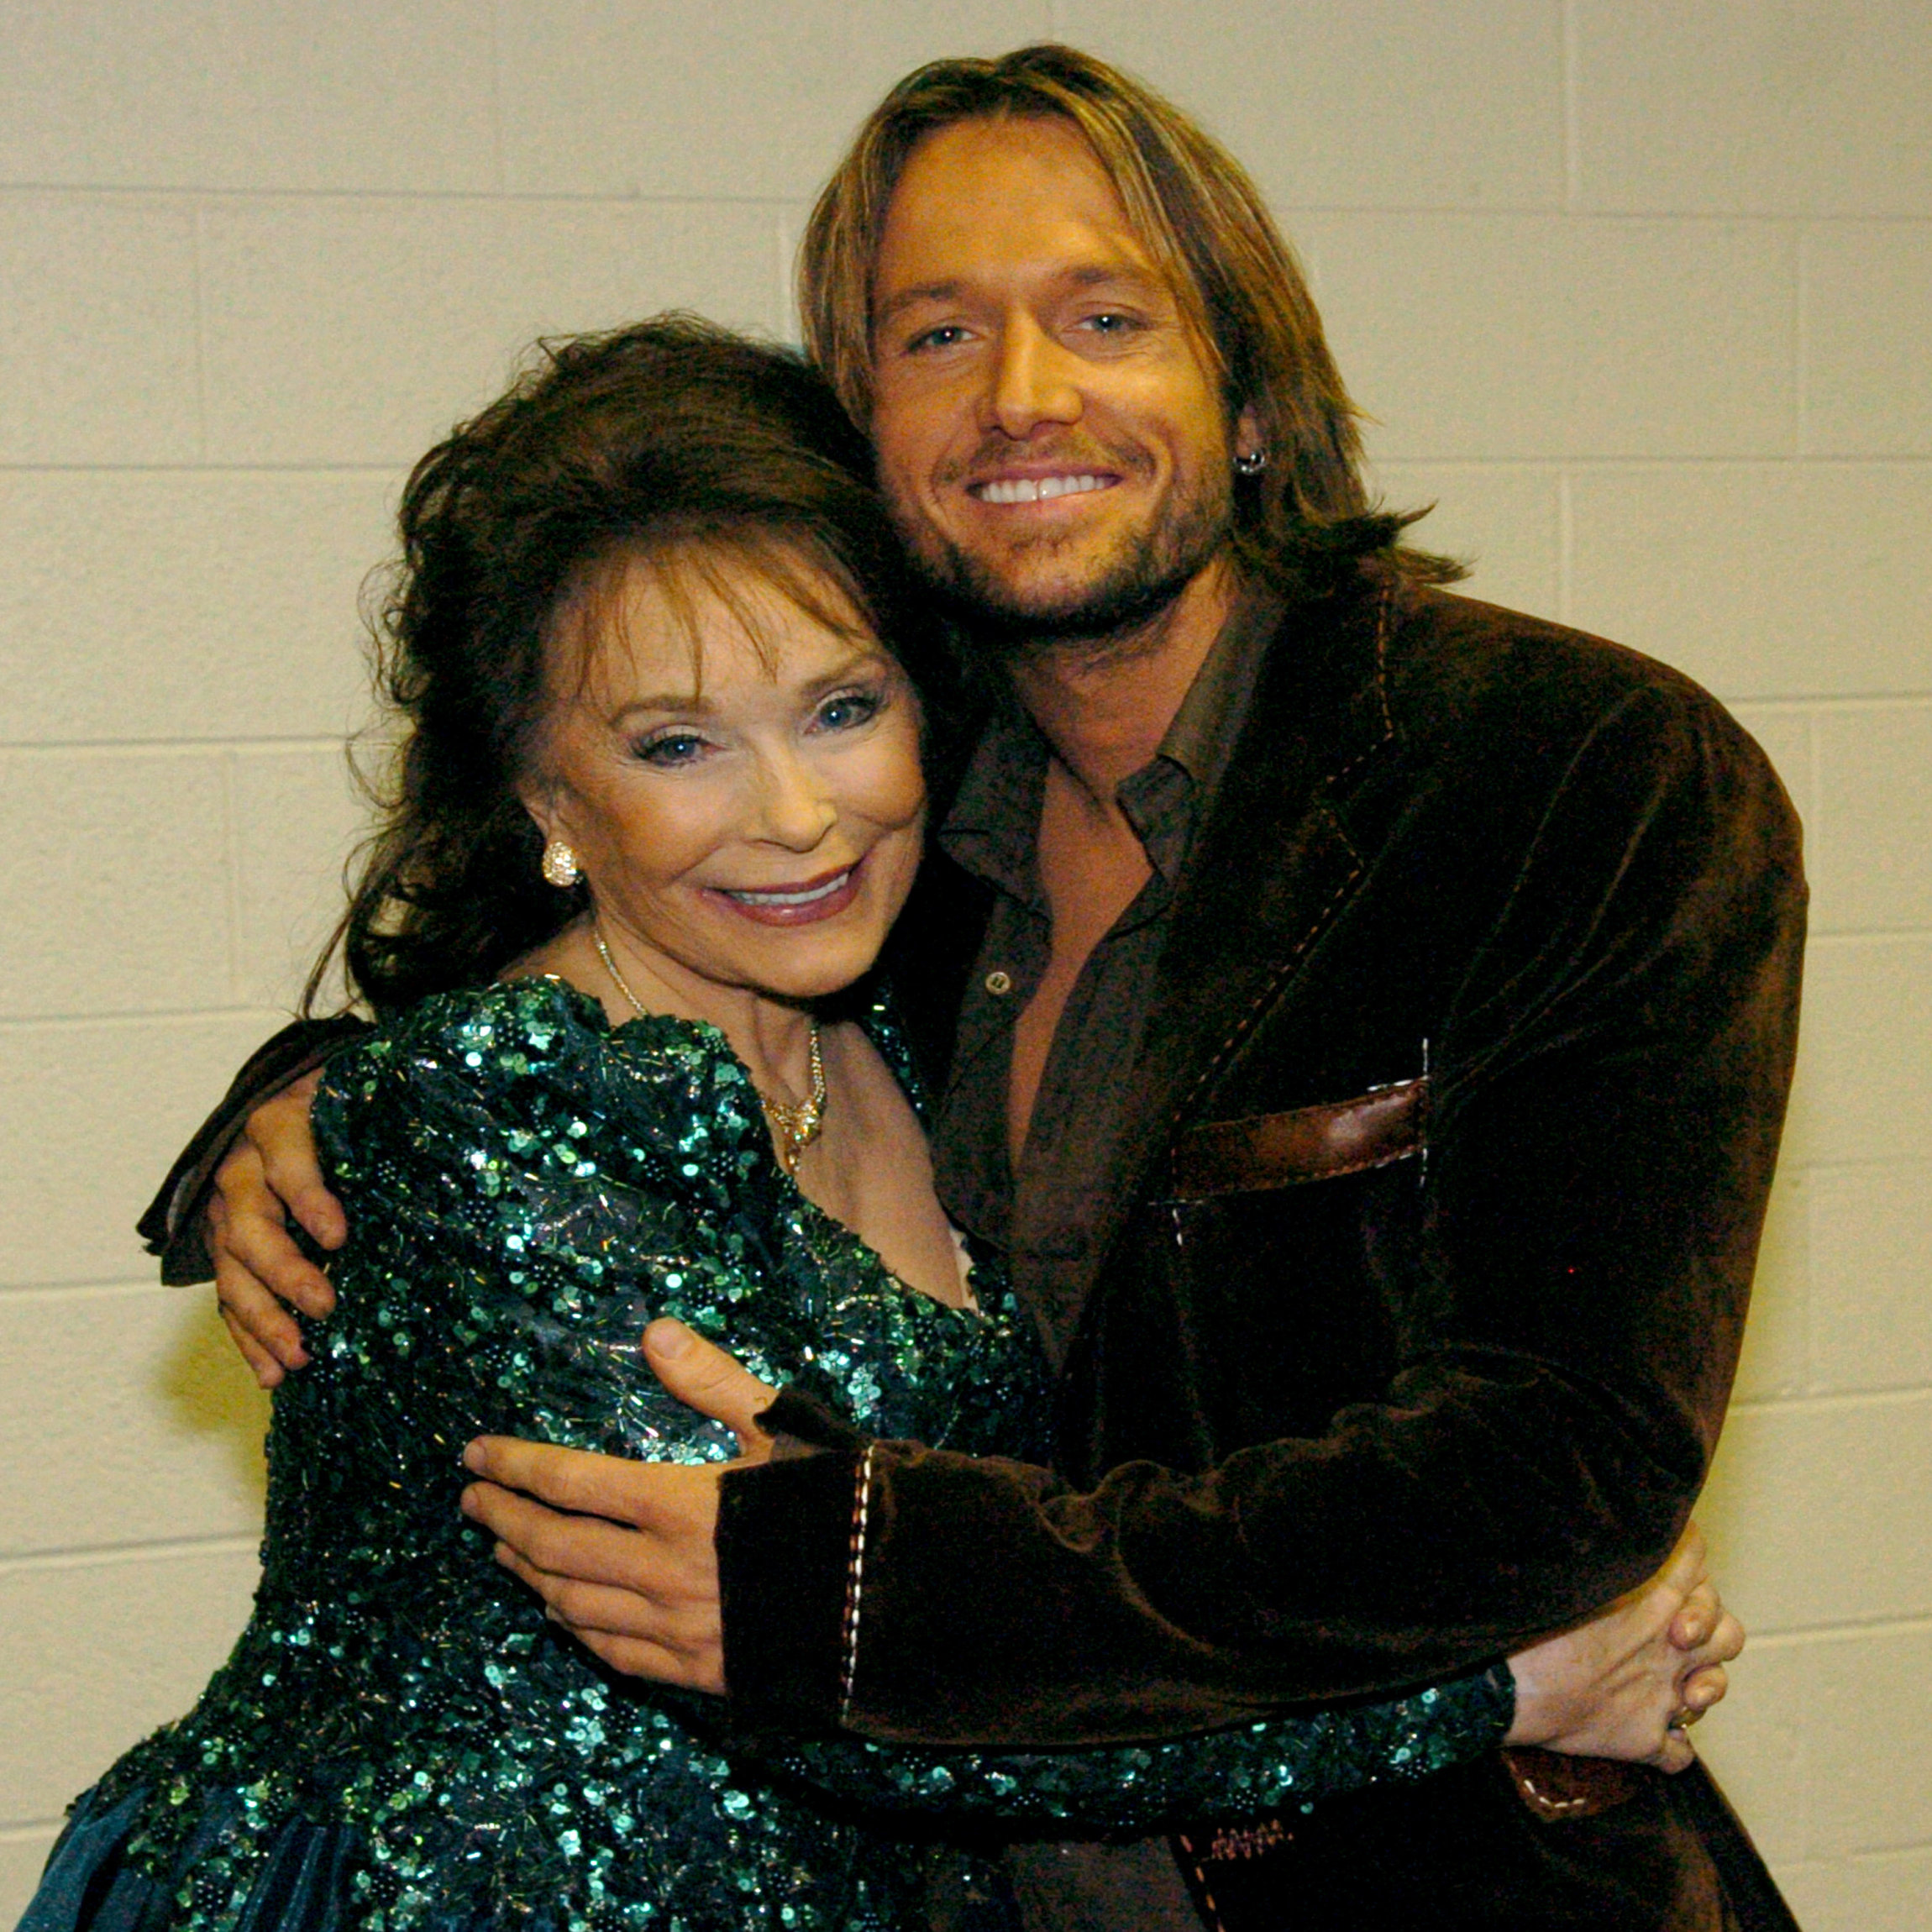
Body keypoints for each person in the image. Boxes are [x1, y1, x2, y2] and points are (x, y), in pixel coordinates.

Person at [157, 44, 1802, 1932]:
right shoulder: (891, 847)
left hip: (1437, 1872)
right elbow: (562, 992)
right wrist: (299, 1104)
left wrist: (860, 1594)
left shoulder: (1567, 774)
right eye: (934, 337)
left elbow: (1555, 1462)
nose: (1024, 396)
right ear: (865, 428)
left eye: (1103, 314)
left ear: (1248, 389)